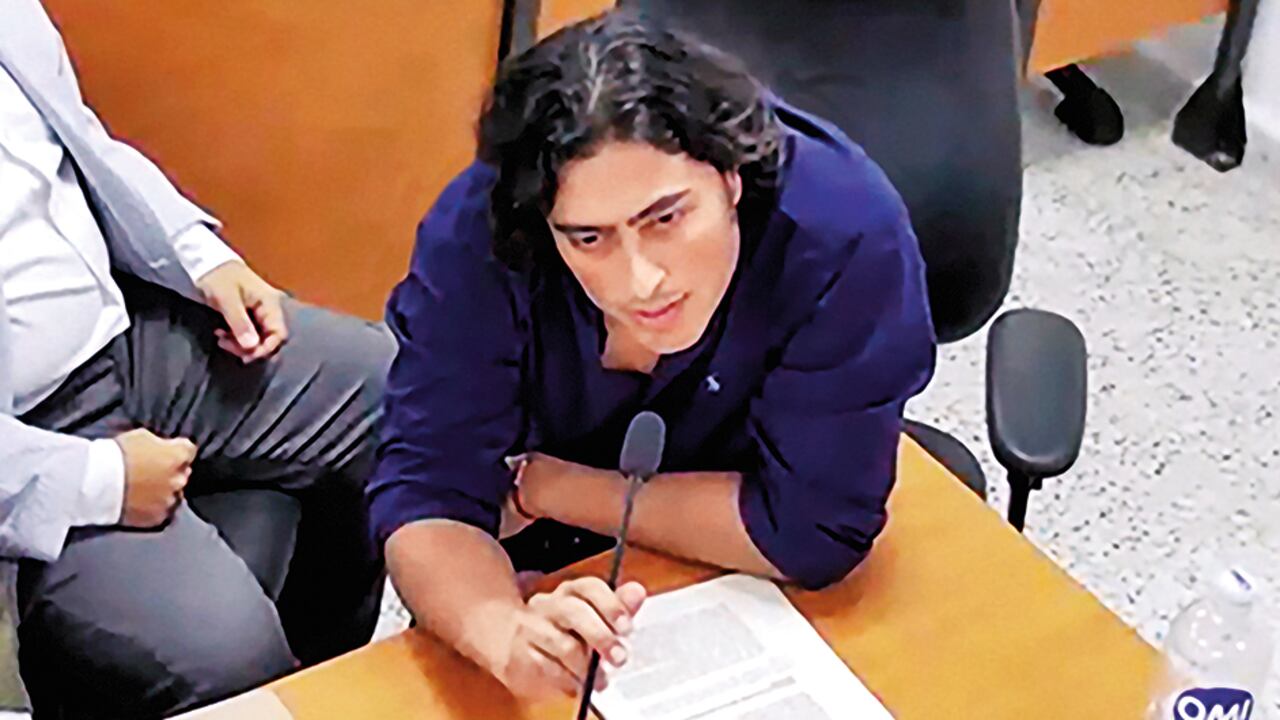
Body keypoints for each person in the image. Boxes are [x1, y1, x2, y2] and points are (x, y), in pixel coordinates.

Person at [368, 10, 935, 701]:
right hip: (534, 563)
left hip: (736, 547)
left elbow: (812, 533)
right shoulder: (478, 233)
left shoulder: (842, 232)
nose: (640, 281)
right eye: (588, 239)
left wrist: (544, 488)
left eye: (665, 218)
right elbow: (426, 495)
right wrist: (502, 632)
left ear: (730, 177)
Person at [0, 2, 393, 716]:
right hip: (31, 437)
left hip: (121, 333)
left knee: (390, 392)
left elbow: (76, 139)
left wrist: (199, 255)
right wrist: (96, 480)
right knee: (229, 658)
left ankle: (330, 673)